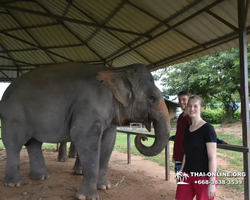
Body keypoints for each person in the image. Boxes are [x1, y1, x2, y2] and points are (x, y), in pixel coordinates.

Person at [170, 91, 228, 173]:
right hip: (178, 155)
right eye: (179, 100)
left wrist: (219, 141)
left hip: (187, 157)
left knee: (183, 181)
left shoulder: (191, 118)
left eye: (184, 99)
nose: (181, 102)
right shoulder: (180, 117)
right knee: (180, 182)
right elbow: (181, 133)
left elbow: (202, 133)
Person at [175, 95, 217, 200]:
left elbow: (212, 158)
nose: (192, 109)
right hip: (187, 174)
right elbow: (186, 153)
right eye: (189, 106)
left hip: (203, 176)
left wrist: (212, 183)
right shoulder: (187, 129)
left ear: (201, 108)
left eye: (195, 106)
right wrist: (181, 172)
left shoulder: (208, 129)